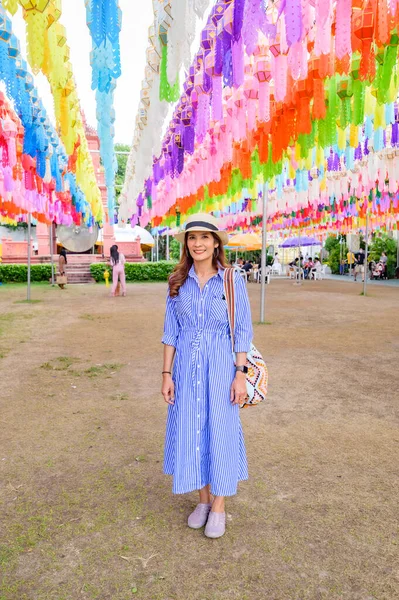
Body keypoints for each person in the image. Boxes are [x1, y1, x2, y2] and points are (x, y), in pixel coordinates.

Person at [161, 213, 253, 539]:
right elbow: (171, 332)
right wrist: (167, 374)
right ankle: (202, 499)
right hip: (186, 371)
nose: (198, 243)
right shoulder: (177, 283)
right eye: (192, 237)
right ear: (186, 244)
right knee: (191, 431)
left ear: (216, 243)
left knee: (221, 432)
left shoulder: (231, 280)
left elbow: (241, 330)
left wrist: (240, 375)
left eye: (204, 237)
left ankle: (219, 504)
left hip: (220, 370)